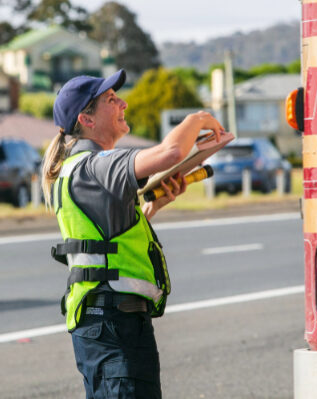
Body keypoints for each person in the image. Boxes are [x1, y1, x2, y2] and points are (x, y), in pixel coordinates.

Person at [42, 69, 227, 398]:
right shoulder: (97, 164)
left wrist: (151, 209)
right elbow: (170, 153)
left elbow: (103, 238)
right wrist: (197, 119)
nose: (123, 103)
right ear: (86, 118)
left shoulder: (74, 168)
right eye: (111, 100)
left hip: (104, 322)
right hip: (114, 323)